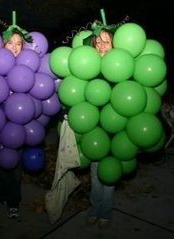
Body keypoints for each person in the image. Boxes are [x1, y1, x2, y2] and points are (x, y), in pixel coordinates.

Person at [0, 29, 25, 220]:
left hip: (16, 126)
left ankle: (13, 202)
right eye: (10, 43)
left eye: (18, 44)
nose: (14, 47)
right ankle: (0, 196)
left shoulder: (26, 67)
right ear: (2, 44)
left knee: (14, 167)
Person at [86, 30, 114, 229]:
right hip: (94, 130)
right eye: (98, 42)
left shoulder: (122, 68)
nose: (102, 46)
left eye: (107, 41)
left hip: (115, 130)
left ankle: (106, 212)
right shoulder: (89, 69)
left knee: (109, 174)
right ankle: (95, 209)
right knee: (95, 175)